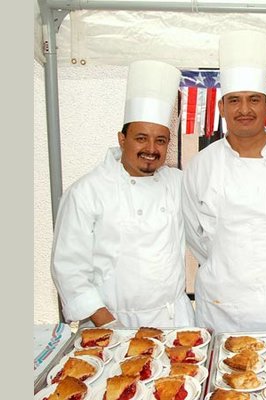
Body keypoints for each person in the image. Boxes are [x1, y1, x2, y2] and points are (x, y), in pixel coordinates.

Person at [51, 60, 196, 328]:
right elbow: (69, 268)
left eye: (160, 140)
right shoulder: (86, 192)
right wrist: (109, 326)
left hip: (173, 321)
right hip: (112, 323)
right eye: (141, 138)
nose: (151, 148)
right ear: (122, 139)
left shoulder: (178, 183)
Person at [182, 30, 266, 333]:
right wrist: (224, 263)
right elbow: (193, 235)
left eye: (254, 100)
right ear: (221, 107)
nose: (244, 110)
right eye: (234, 100)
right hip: (219, 307)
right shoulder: (200, 165)